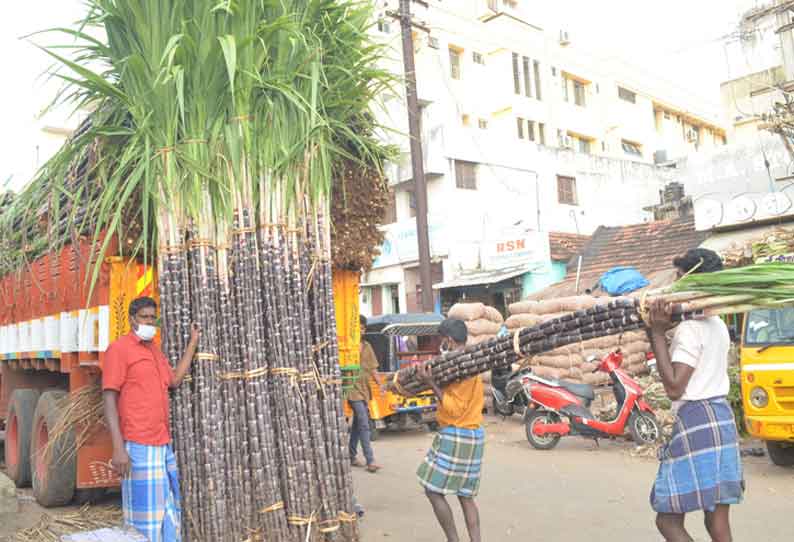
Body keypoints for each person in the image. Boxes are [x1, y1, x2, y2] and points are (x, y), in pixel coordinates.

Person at [646, 249, 744, 542]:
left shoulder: (690, 329)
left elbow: (675, 387)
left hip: (696, 422)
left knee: (667, 520)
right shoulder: (717, 325)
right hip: (721, 420)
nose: (673, 286)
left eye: (678, 278)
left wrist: (657, 332)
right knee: (717, 521)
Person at [102, 297, 200, 542]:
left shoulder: (154, 350)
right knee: (143, 519)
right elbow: (108, 398)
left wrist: (193, 343)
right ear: (132, 319)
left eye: (152, 318)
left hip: (162, 442)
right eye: (144, 317)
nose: (149, 322)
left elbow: (174, 380)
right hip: (138, 444)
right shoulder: (119, 349)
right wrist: (118, 448)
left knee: (167, 511)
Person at [416, 318, 484, 542]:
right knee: (466, 496)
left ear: (451, 340)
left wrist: (431, 383)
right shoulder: (471, 362)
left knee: (432, 489)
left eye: (442, 341)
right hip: (474, 435)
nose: (441, 345)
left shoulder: (463, 366)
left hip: (456, 433)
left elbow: (454, 409)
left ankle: (453, 540)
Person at [348, 315, 383, 473]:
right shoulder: (347, 346)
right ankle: (370, 460)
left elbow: (374, 368)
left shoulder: (367, 346)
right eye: (357, 328)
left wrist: (380, 384)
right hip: (351, 388)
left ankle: (351, 454)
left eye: (362, 328)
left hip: (364, 389)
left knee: (357, 424)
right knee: (363, 421)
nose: (360, 331)